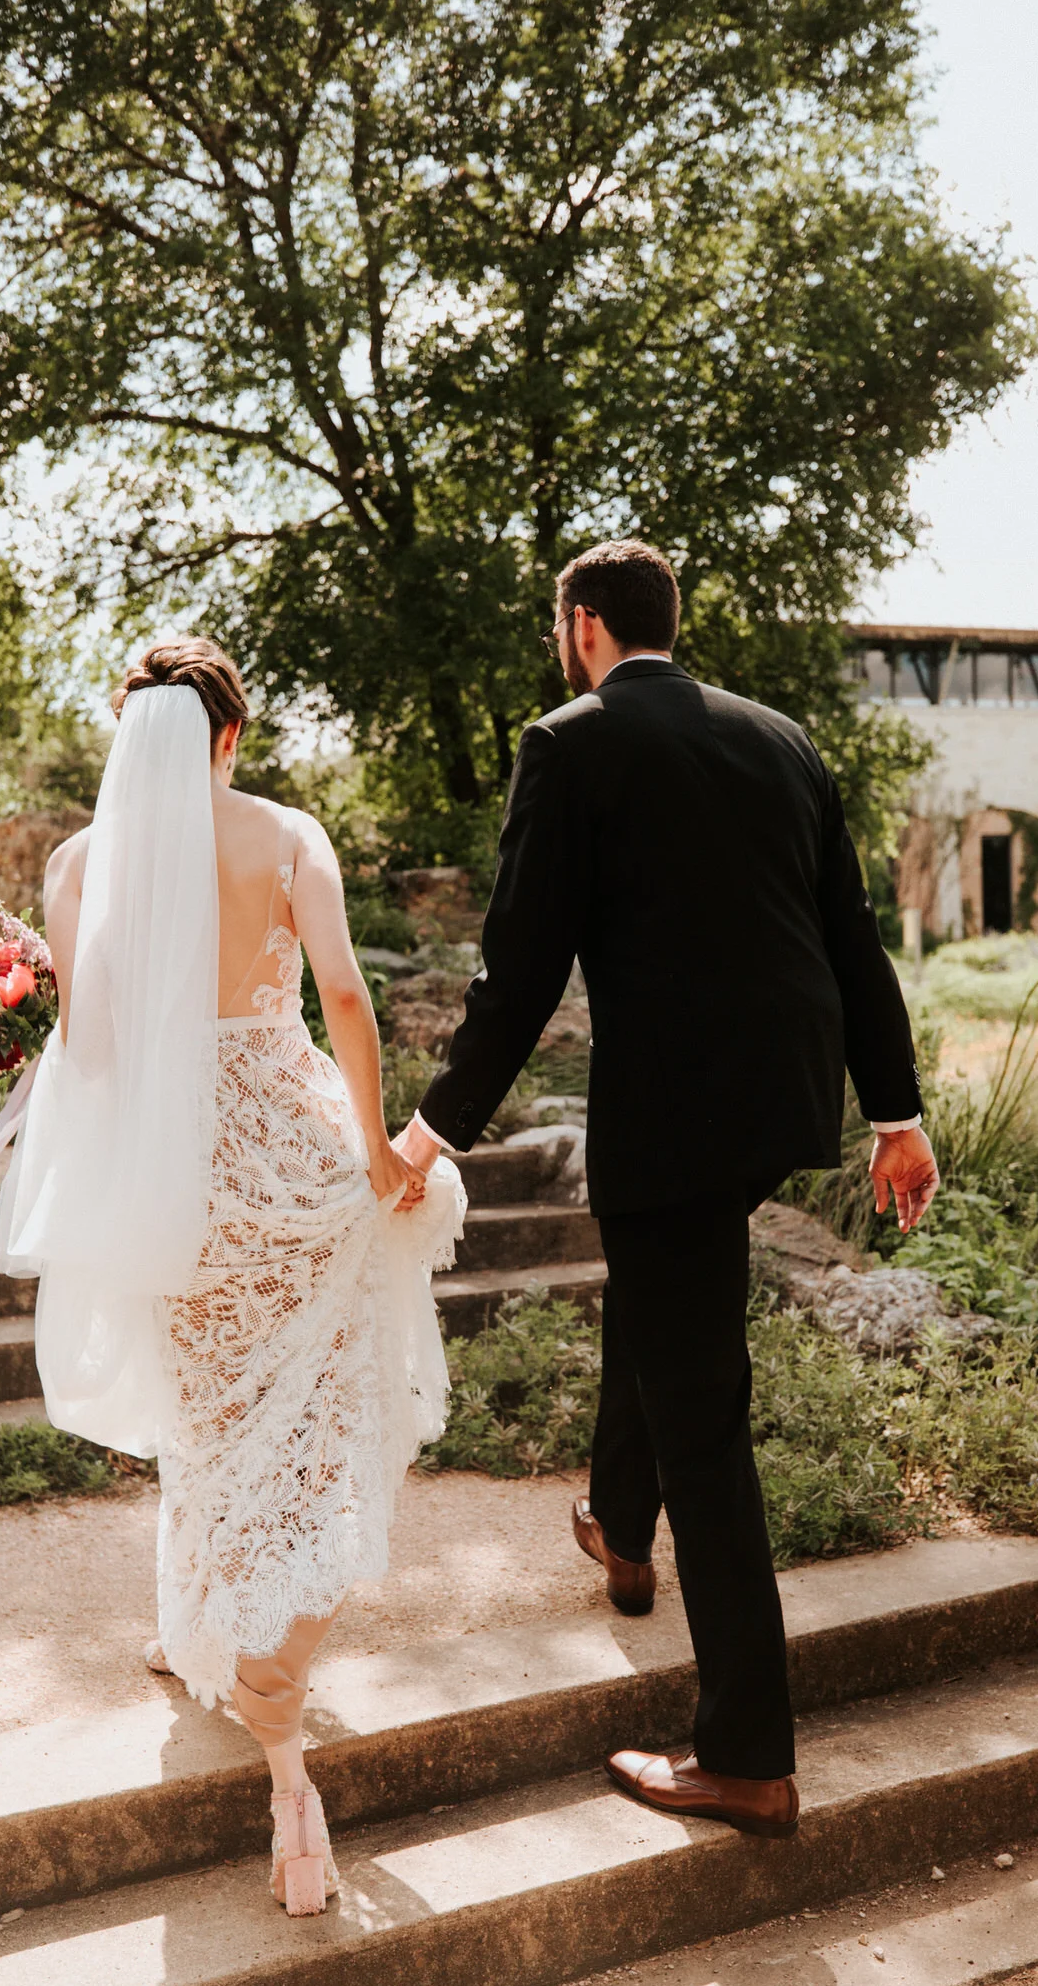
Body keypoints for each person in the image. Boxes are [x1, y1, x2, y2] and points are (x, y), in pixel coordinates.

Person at [396, 541, 938, 1839]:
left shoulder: (569, 743)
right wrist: (897, 1114)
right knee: (664, 1289)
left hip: (674, 1115)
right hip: (780, 1099)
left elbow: (520, 968)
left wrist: (430, 1132)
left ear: (582, 625)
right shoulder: (783, 740)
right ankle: (621, 1529)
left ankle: (747, 1756)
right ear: (664, 624)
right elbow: (852, 942)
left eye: (560, 628)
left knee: (707, 1416)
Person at [0, 637, 464, 1916]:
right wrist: (377, 1150)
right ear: (230, 734)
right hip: (291, 1159)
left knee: (207, 1422)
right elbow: (346, 999)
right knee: (308, 1425)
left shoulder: (78, 864)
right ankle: (270, 1698)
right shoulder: (286, 836)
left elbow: (91, 1051)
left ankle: (236, 1674)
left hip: (174, 1185)